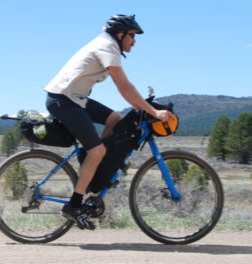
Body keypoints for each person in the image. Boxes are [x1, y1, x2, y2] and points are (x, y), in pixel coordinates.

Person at [44, 14, 174, 230]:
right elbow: (123, 86)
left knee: (115, 119)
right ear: (120, 34)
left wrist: (139, 105)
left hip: (75, 98)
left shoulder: (107, 45)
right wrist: (151, 110)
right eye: (132, 35)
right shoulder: (107, 47)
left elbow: (126, 90)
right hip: (64, 100)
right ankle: (74, 205)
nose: (134, 41)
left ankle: (94, 164)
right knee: (97, 151)